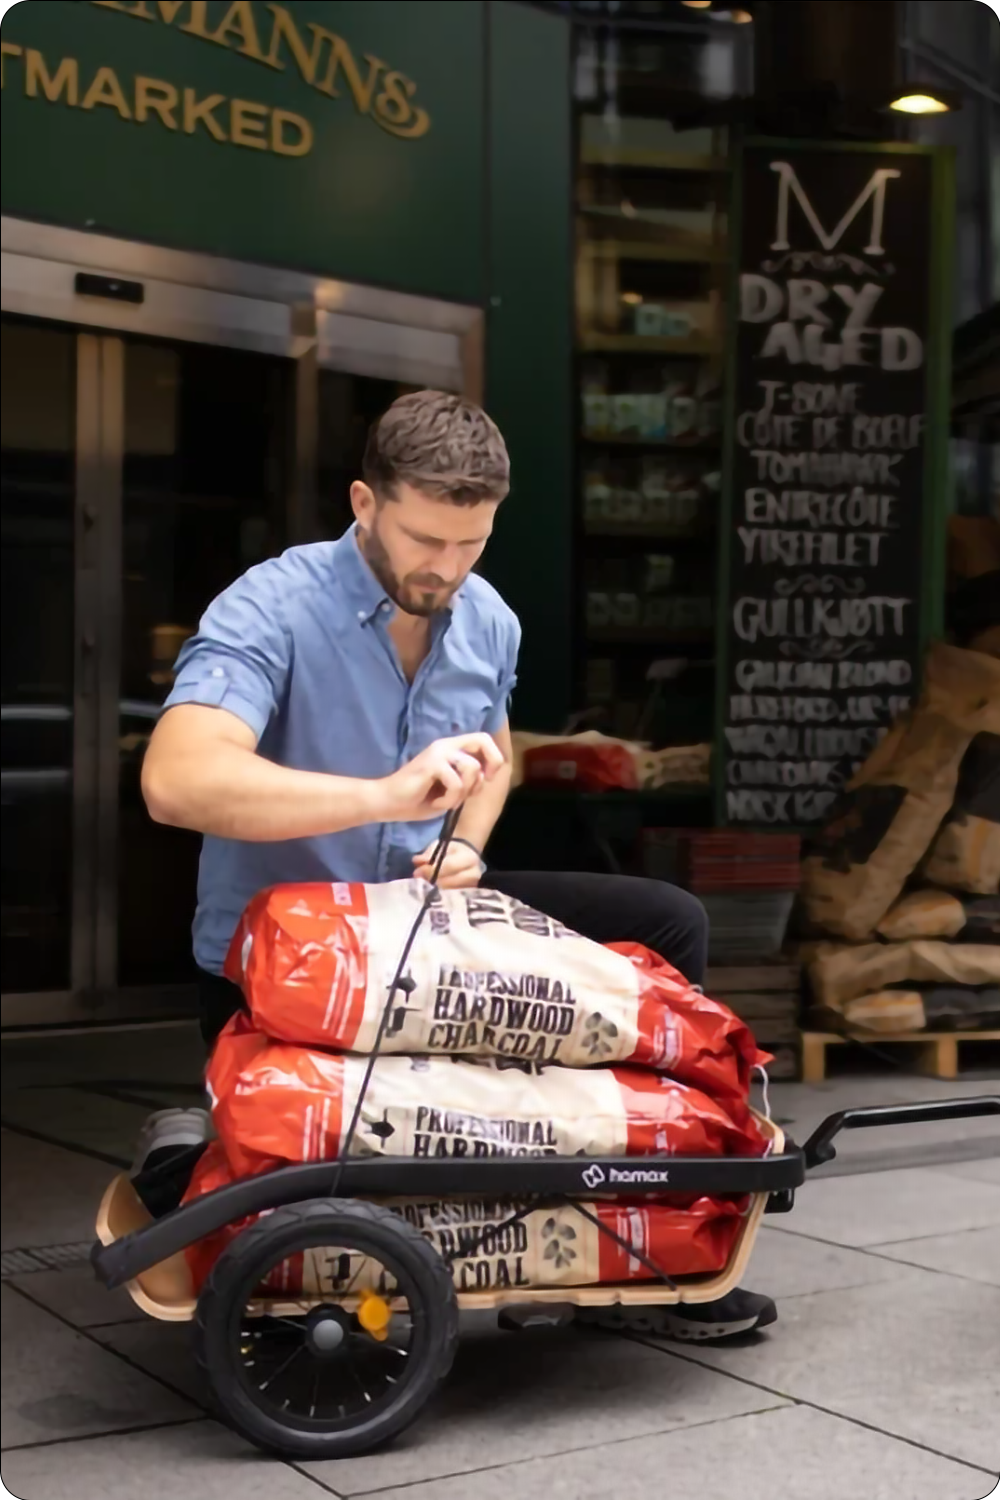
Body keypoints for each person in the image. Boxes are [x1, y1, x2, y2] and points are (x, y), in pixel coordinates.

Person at [140, 390, 775, 1342]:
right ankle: (199, 1161)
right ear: (364, 502)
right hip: (290, 959)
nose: (445, 569)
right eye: (425, 539)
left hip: (430, 927)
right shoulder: (271, 602)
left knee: (666, 921)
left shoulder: (489, 620)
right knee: (331, 1184)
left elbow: (495, 751)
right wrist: (386, 797)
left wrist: (467, 840)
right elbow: (175, 780)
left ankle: (655, 1239)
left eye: (470, 543)